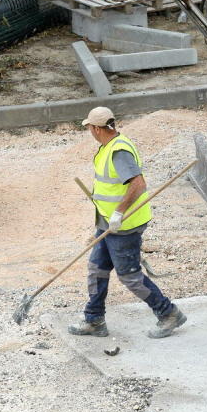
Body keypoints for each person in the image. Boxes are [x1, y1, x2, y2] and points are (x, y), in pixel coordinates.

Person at [67, 106, 187, 340]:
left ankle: (168, 313)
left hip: (124, 225)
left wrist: (119, 213)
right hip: (107, 223)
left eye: (90, 127)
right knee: (97, 270)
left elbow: (138, 184)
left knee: (129, 275)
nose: (89, 131)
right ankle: (94, 320)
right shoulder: (109, 146)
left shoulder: (118, 152)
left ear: (96, 129)